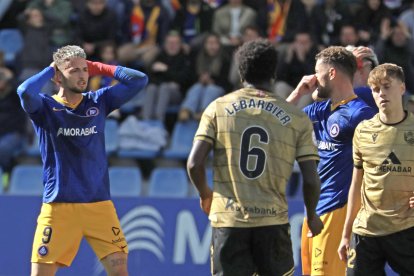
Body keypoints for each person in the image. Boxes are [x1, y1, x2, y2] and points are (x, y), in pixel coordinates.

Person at [187, 39, 323, 276]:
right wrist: (311, 216)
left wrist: (205, 194)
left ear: (241, 72)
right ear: (273, 73)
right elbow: (310, 180)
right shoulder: (296, 118)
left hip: (229, 221)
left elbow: (194, 163)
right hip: (272, 223)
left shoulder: (217, 108)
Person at [17, 45, 148, 275]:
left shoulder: (98, 101)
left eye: (84, 70)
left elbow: (139, 80)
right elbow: (25, 91)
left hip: (99, 205)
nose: (82, 75)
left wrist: (99, 67)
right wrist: (50, 69)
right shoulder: (45, 107)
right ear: (58, 76)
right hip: (59, 207)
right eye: (74, 70)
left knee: (120, 272)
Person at [286, 46, 376, 276]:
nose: (313, 78)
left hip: (338, 209)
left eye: (318, 72)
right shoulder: (320, 110)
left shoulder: (360, 113)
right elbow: (275, 124)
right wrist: (298, 93)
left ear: (333, 73)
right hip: (314, 212)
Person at [338, 63, 414, 275]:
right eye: (376, 89)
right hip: (366, 230)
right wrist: (346, 234)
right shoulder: (363, 130)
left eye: (387, 86)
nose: (381, 94)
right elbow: (356, 183)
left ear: (402, 88)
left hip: (406, 228)